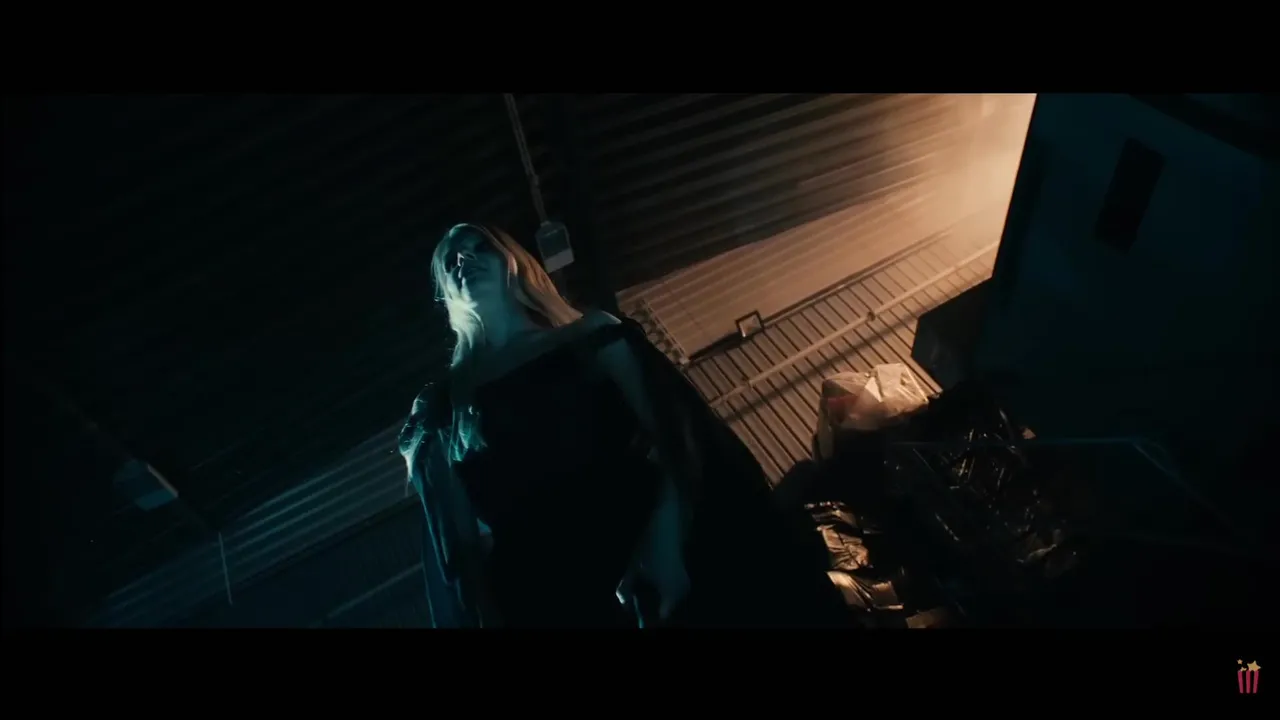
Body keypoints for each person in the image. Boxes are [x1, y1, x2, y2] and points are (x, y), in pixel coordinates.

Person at [398, 223, 849, 628]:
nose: (464, 259)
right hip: (543, 601)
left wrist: (666, 545)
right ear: (444, 290)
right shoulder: (441, 407)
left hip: (645, 564)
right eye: (450, 260)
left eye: (480, 247)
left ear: (512, 262)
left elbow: (673, 435)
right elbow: (457, 548)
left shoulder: (592, 337)